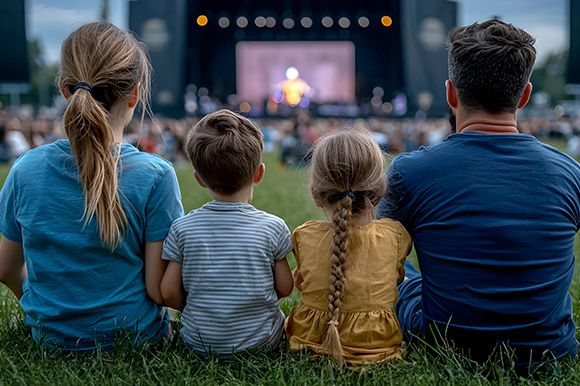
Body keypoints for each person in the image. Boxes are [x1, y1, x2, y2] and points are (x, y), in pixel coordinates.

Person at [377, 19, 580, 368]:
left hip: (443, 340)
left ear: (451, 93)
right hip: (549, 350)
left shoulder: (410, 172)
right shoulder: (570, 172)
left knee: (397, 268)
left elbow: (372, 251)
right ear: (525, 95)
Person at [0, 22, 184, 352]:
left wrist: (51, 313)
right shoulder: (156, 174)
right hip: (137, 338)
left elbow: (5, 268)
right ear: (135, 93)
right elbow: (158, 289)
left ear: (64, 89)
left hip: (50, 337)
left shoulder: (24, 169)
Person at [160, 109, 294, 357]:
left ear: (199, 179)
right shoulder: (273, 227)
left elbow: (168, 292)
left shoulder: (182, 228)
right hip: (263, 342)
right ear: (259, 173)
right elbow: (285, 287)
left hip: (197, 343)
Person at [285, 129, 412, 366]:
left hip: (308, 341)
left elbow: (301, 283)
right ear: (379, 192)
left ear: (316, 194)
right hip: (379, 345)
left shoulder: (304, 236)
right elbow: (396, 282)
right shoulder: (395, 236)